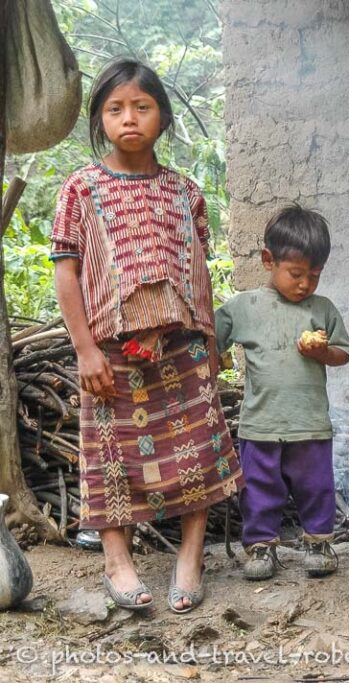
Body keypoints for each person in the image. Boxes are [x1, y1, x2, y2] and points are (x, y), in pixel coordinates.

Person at [51, 59, 244, 613]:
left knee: (197, 452)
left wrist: (209, 339)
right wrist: (85, 348)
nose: (129, 118)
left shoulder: (184, 191)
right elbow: (67, 271)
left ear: (162, 117)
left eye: (142, 106)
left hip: (180, 345)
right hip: (109, 351)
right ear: (100, 119)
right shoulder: (81, 190)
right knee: (109, 456)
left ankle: (190, 556)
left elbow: (198, 269)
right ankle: (118, 561)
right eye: (115, 109)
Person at [215, 206, 349, 581]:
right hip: (260, 423)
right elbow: (212, 337)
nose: (306, 284)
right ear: (268, 260)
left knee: (316, 486)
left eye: (315, 275)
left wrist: (321, 352)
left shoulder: (322, 310)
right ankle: (262, 547)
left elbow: (342, 353)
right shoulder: (245, 307)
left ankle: (318, 542)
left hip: (309, 423)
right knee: (259, 489)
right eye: (296, 273)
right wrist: (214, 356)